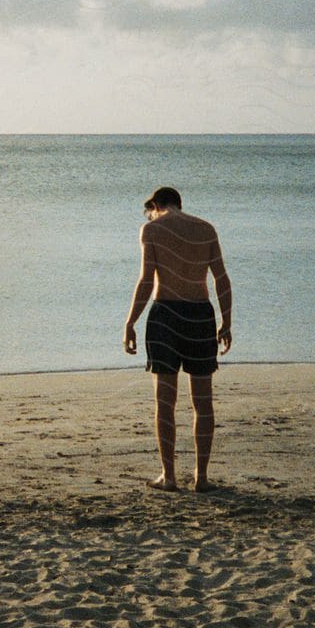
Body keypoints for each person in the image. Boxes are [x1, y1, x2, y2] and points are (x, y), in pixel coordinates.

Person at [122, 186, 232, 491]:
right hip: (199, 315)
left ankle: (168, 476)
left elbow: (146, 279)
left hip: (166, 316)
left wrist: (131, 321)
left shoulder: (151, 229)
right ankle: (202, 477)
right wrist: (227, 322)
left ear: (156, 206)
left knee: (165, 402)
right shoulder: (205, 229)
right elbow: (221, 278)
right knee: (203, 402)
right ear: (180, 204)